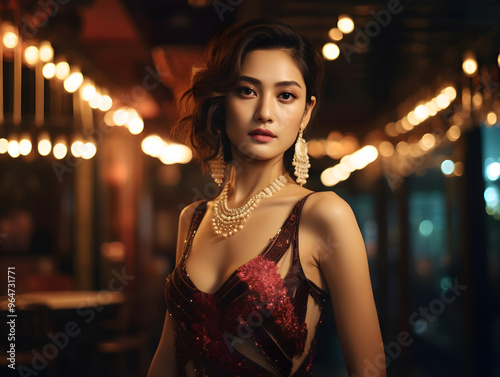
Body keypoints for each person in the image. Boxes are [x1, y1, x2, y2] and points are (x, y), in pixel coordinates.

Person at [147, 16, 386, 377]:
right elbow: (167, 357)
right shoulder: (192, 218)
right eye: (247, 90)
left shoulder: (324, 214)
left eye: (286, 95)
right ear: (222, 100)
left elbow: (370, 369)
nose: (265, 113)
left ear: (306, 113)